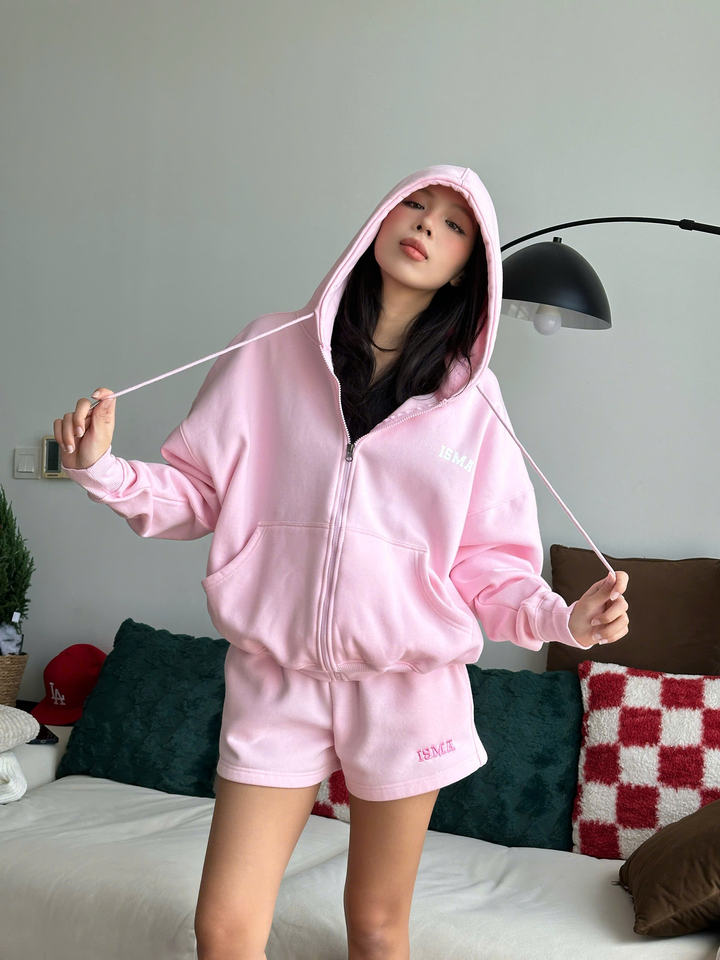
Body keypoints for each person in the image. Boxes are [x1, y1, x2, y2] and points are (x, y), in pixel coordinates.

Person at [54, 163, 629, 960]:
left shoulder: (473, 400)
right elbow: (198, 493)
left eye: (453, 225)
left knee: (377, 928)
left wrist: (564, 618)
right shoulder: (268, 348)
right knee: (223, 928)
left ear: (466, 269)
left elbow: (490, 566)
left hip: (406, 688)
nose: (425, 225)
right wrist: (103, 469)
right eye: (414, 205)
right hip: (275, 679)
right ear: (378, 222)